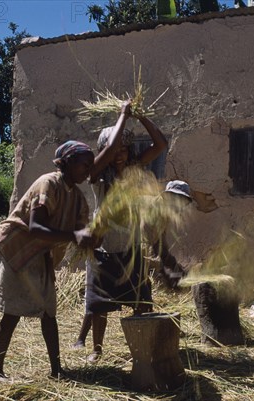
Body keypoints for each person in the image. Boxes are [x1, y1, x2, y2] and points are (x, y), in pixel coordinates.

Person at [0, 140, 98, 380]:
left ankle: (56, 370)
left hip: (42, 254)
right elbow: (36, 228)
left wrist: (93, 238)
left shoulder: (78, 198)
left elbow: (81, 233)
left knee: (49, 313)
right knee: (12, 311)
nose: (88, 170)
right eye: (84, 165)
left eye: (91, 166)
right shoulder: (48, 184)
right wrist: (74, 236)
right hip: (16, 249)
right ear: (67, 163)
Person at [72, 101, 168, 362]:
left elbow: (160, 145)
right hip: (103, 249)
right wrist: (123, 116)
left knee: (140, 302)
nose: (119, 154)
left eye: (124, 149)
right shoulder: (97, 177)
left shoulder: (135, 171)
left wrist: (142, 116)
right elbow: (110, 150)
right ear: (103, 152)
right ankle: (97, 349)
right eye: (113, 150)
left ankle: (140, 348)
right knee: (99, 305)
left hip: (131, 248)